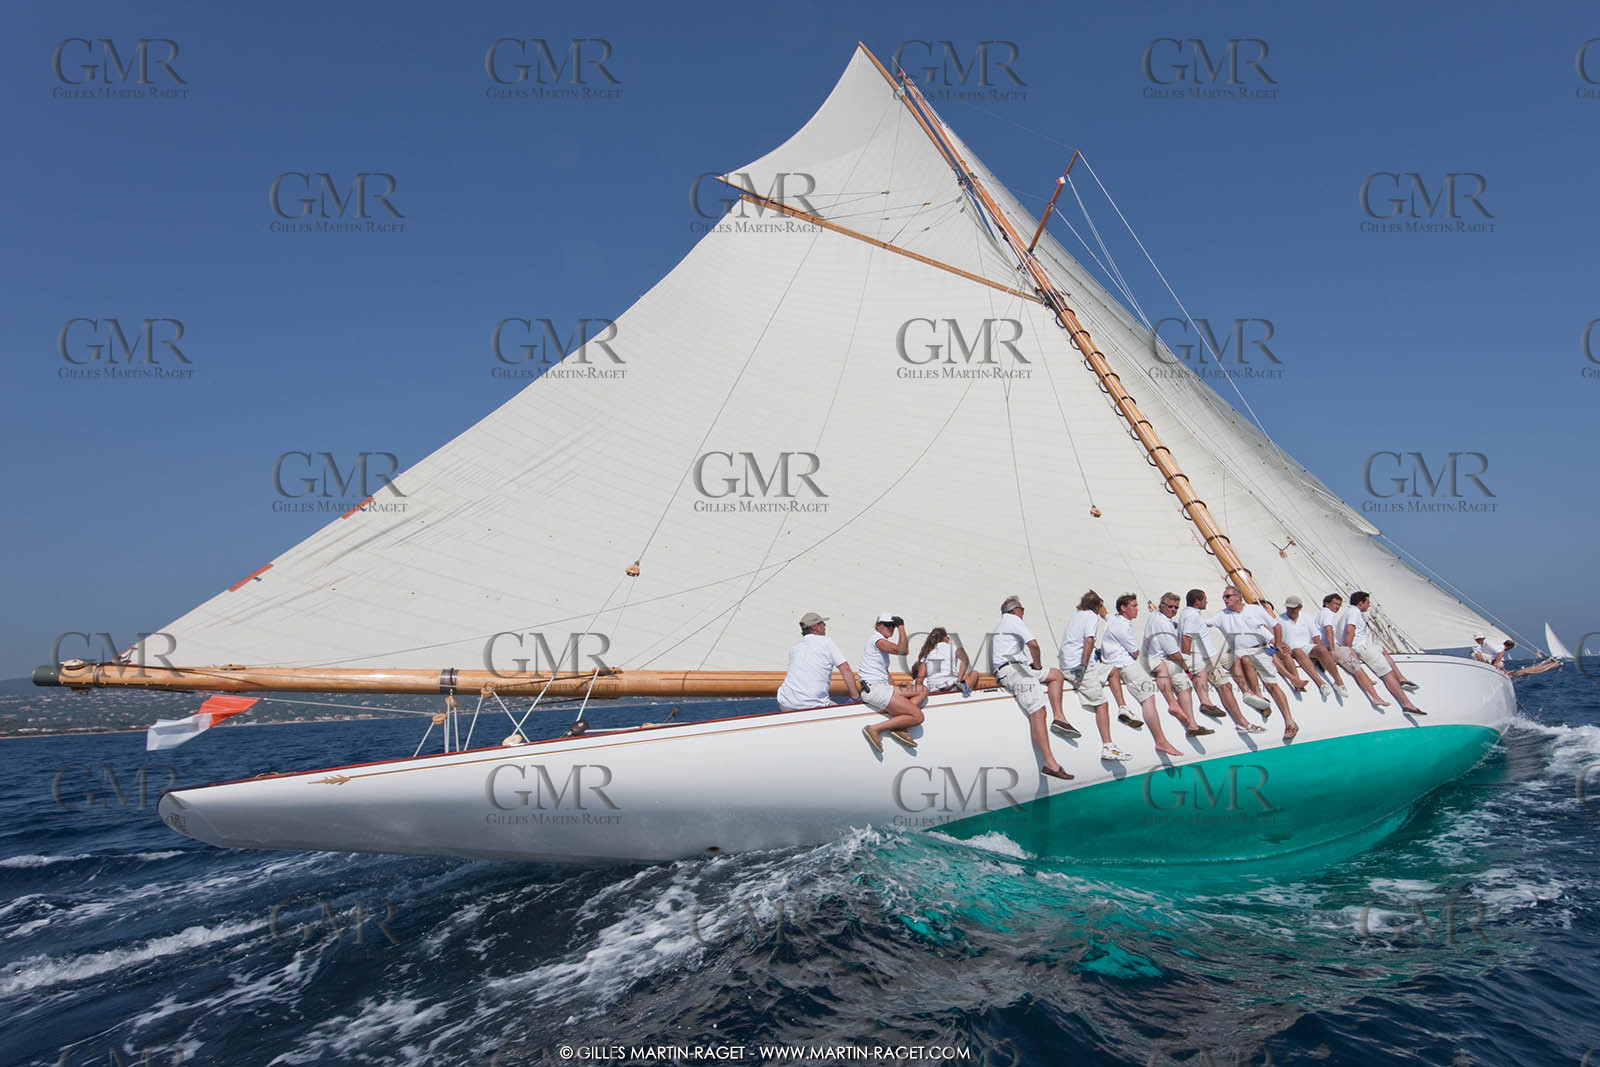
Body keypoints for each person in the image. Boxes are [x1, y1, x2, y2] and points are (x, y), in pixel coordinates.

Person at [990, 596, 1075, 780]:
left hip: (1017, 667)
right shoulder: (1013, 620)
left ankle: (1059, 718)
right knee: (1037, 709)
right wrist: (1037, 666)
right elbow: (1034, 645)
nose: (1023, 613)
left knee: (1056, 675)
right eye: (1022, 609)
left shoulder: (1002, 625)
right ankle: (1050, 762)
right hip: (1014, 669)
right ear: (1015, 610)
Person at [1212, 587, 1300, 741]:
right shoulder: (1221, 616)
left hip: (1260, 650)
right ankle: (1259, 698)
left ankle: (1290, 722)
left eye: (1228, 596)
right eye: (1224, 597)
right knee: (1242, 659)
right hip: (1240, 653)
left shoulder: (1254, 610)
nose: (1225, 599)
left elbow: (1276, 626)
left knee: (1273, 685)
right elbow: (1201, 623)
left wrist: (1277, 644)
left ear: (1239, 597)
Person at [1102, 594, 1184, 755]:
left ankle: (1123, 706)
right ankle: (1161, 741)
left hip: (1110, 665)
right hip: (1125, 665)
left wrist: (1096, 601)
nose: (1137, 609)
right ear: (1123, 608)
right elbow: (1134, 653)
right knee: (1148, 697)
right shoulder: (1124, 626)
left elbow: (1103, 612)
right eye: (1134, 606)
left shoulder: (1113, 619)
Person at [1059, 591, 1135, 762]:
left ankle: (1123, 706)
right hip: (1078, 667)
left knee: (1112, 670)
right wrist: (1082, 667)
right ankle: (1108, 746)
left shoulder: (1077, 615)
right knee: (1102, 703)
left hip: (1073, 663)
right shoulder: (1092, 617)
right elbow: (1089, 641)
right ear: (1098, 606)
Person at [1178, 588, 1263, 734]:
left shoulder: (1189, 613)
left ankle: (1247, 692)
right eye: (1205, 599)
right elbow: (1186, 639)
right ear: (1198, 601)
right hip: (1205, 657)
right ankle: (1241, 722)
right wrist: (1187, 663)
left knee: (1234, 657)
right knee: (1225, 686)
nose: (1207, 601)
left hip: (1211, 653)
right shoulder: (1193, 616)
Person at [1335, 592, 1423, 714]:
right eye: (1367, 602)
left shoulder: (1349, 612)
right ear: (1360, 603)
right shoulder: (1354, 613)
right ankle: (1406, 704)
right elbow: (1350, 630)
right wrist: (1349, 648)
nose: (1369, 605)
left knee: (1382, 650)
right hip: (1361, 647)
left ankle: (1401, 679)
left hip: (1364, 645)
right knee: (1386, 673)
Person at [857, 613, 927, 752]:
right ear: (877, 626)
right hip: (874, 689)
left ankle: (900, 723)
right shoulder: (876, 638)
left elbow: (885, 674)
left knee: (922, 689)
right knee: (918, 716)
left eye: (893, 626)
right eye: (887, 624)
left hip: (881, 687)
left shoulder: (880, 645)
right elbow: (903, 650)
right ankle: (875, 729)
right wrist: (901, 627)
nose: (891, 628)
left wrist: (896, 688)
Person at [1143, 591, 1210, 736]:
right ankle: (1203, 704)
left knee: (1185, 680)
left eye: (1176, 608)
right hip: (1161, 659)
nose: (1173, 610)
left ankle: (1192, 725)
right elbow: (1174, 654)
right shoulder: (1163, 624)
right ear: (1162, 605)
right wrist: (1187, 671)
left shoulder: (1156, 615)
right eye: (1170, 607)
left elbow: (1158, 614)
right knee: (1191, 675)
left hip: (1154, 658)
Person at [778, 612, 862, 714]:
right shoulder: (826, 642)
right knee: (843, 715)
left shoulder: (795, 648)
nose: (825, 626)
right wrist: (855, 697)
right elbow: (846, 669)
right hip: (811, 704)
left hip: (786, 702)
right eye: (822, 623)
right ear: (815, 627)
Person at [1277, 596, 1333, 698]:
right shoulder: (1279, 619)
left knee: (1318, 650)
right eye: (1289, 608)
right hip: (1291, 649)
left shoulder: (1306, 617)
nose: (1291, 610)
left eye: (1294, 608)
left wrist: (1322, 654)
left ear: (1300, 608)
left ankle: (1328, 683)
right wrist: (1283, 645)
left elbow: (1315, 636)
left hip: (1307, 647)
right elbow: (1275, 638)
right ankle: (1318, 682)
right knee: (1298, 651)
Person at [914, 627, 978, 695]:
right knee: (974, 673)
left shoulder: (926, 654)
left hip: (933, 691)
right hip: (951, 687)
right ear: (945, 638)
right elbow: (965, 659)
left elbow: (919, 681)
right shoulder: (953, 647)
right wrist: (959, 679)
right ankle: (968, 695)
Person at [1312, 594, 1349, 697]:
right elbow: (1328, 630)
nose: (1337, 607)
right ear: (1327, 603)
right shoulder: (1328, 613)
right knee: (1351, 656)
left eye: (1339, 605)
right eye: (1335, 604)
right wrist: (1332, 650)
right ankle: (1339, 682)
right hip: (1325, 646)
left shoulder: (1322, 613)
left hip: (1321, 645)